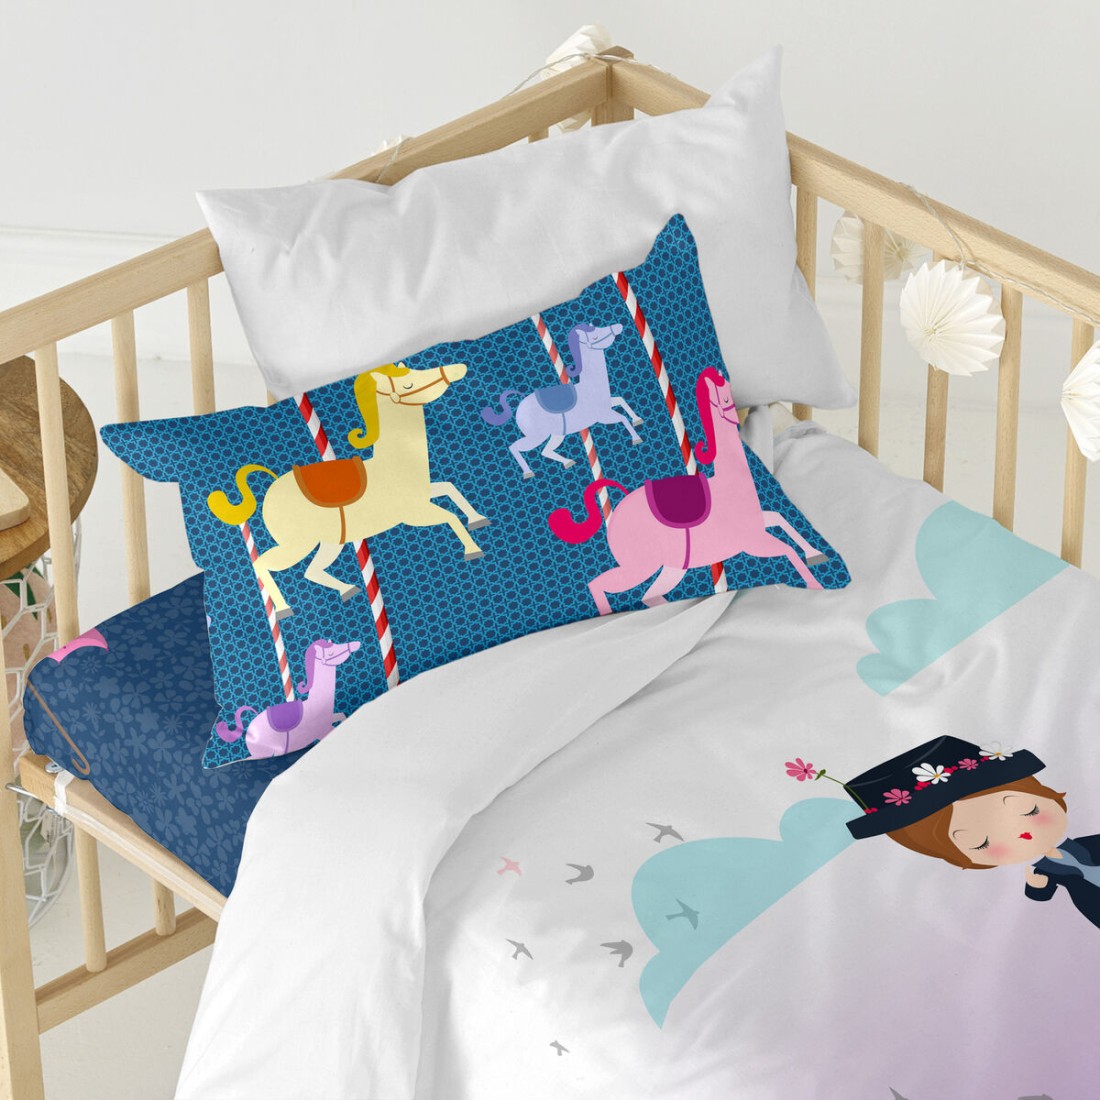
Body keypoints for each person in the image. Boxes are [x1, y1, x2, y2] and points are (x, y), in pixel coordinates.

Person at [840, 735, 1100, 929]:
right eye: (981, 843)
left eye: (1030, 810)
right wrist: (1037, 887)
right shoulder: (1043, 871)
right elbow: (1041, 895)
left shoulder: (1091, 843)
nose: (1020, 833)